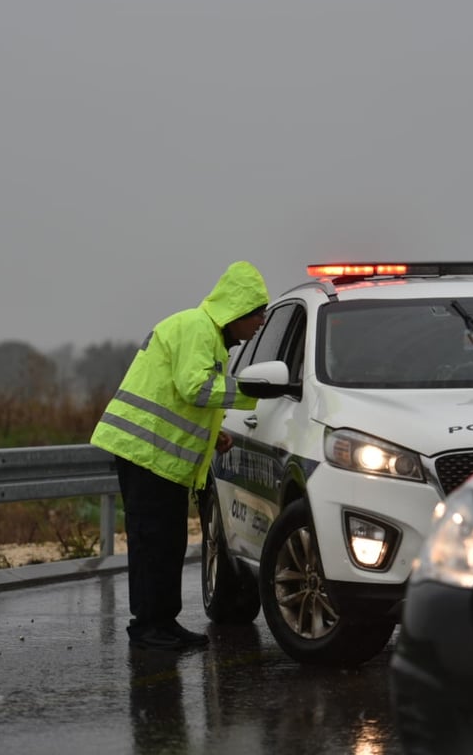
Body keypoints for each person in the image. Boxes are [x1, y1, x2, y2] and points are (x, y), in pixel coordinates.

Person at [90, 261, 269, 651]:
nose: (260, 322)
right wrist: (256, 392)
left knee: (166, 542)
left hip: (159, 456)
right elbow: (196, 388)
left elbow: (186, 402)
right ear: (237, 309)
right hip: (146, 454)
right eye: (257, 313)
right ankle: (148, 629)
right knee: (153, 542)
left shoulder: (209, 336)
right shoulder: (196, 329)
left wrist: (213, 435)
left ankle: (162, 623)